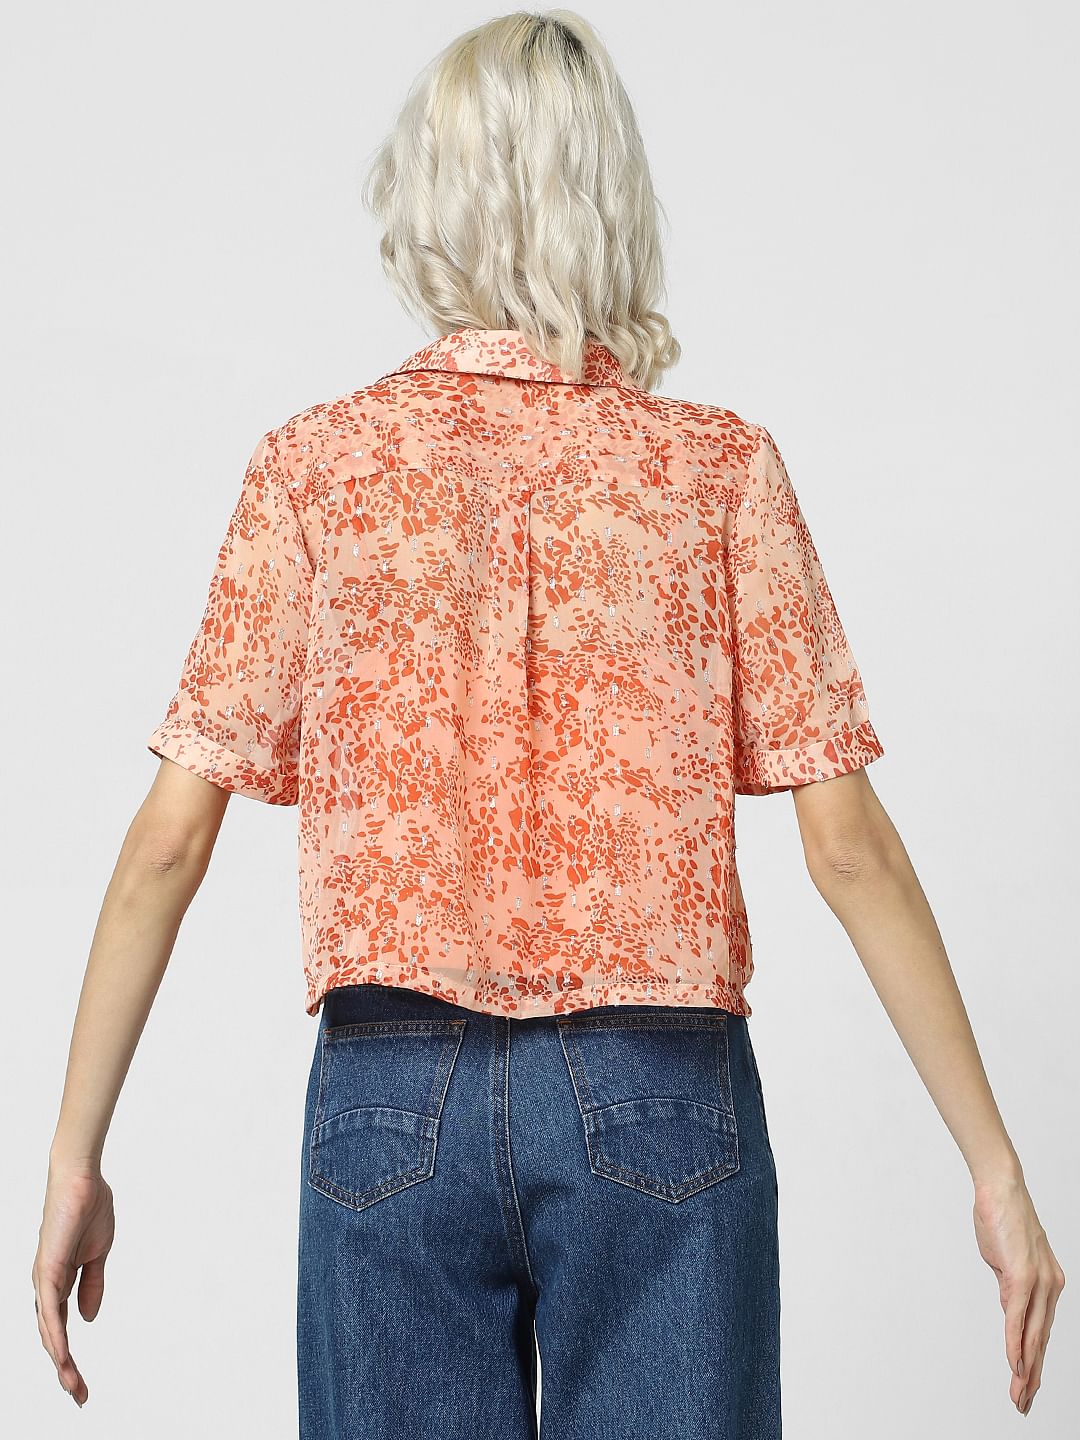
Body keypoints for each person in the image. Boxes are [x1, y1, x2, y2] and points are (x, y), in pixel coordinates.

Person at [33, 9, 1064, 1436]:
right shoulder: (716, 472)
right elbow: (850, 850)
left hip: (388, 1093)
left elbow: (168, 842)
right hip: (661, 1092)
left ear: (428, 200)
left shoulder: (316, 470)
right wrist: (995, 1167)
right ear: (613, 201)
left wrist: (74, 1154)